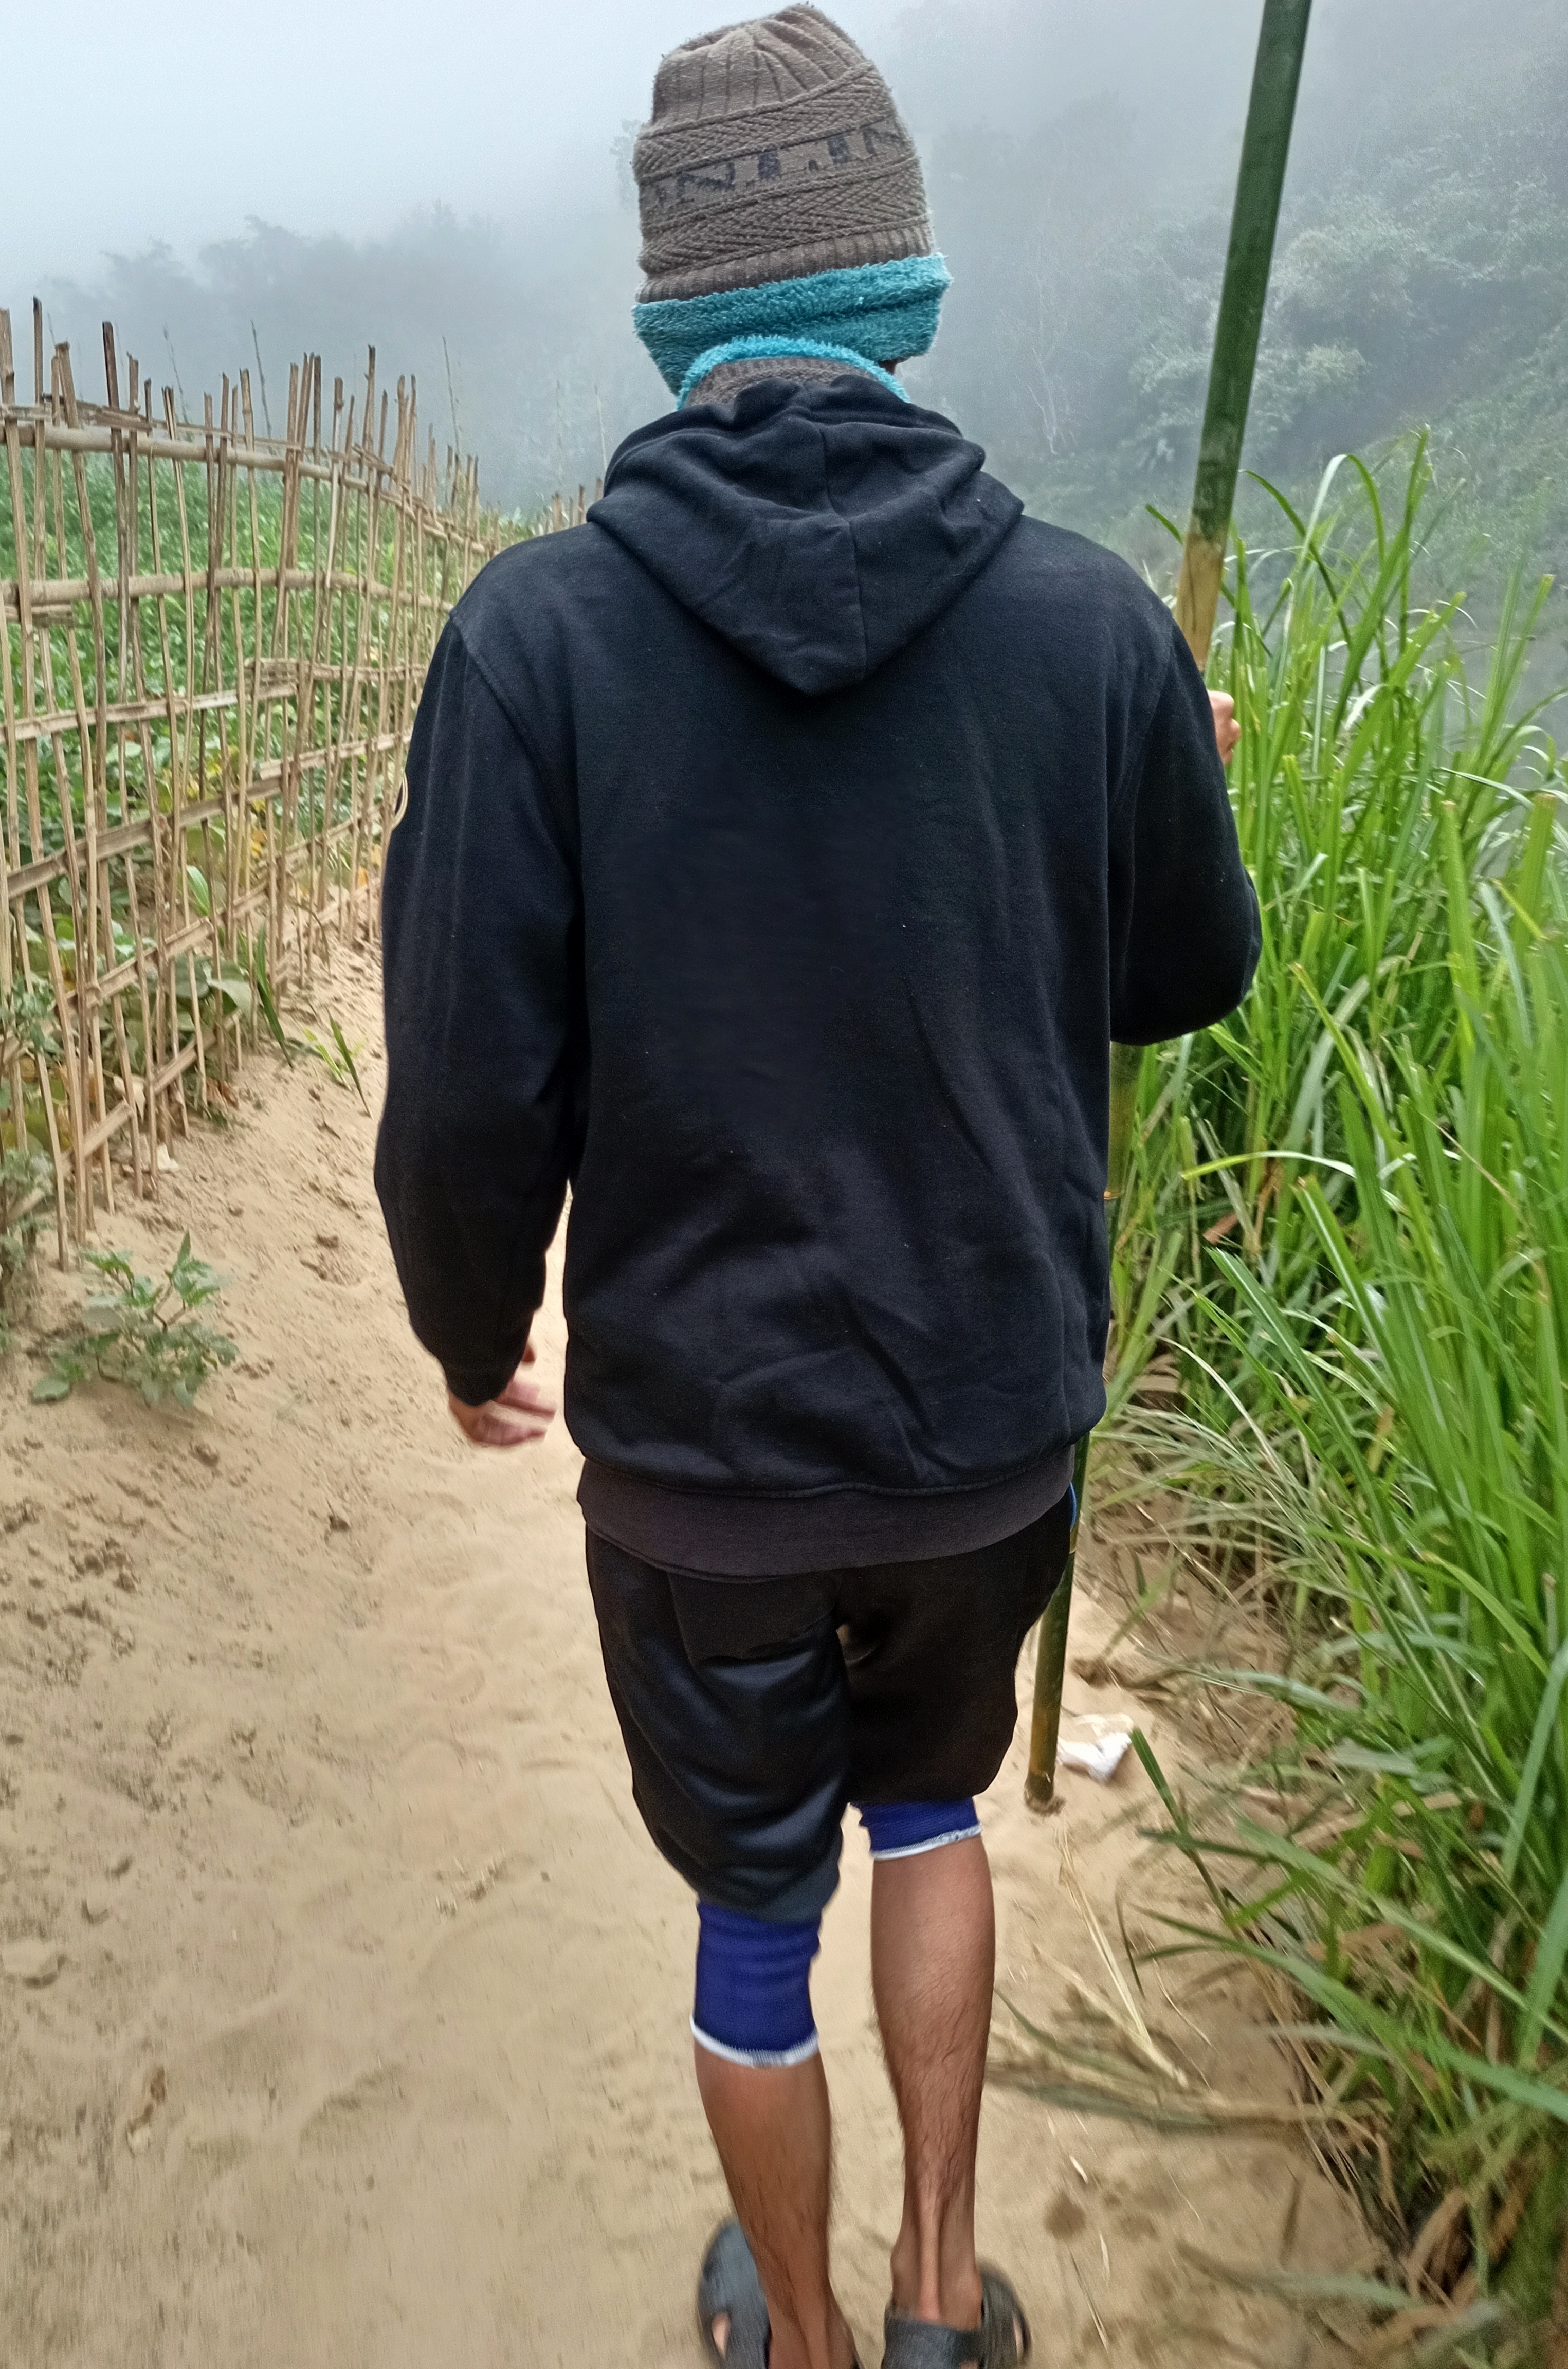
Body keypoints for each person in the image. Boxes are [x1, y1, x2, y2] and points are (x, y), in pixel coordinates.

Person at [375, 8, 1259, 2363]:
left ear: (673, 319)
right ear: (910, 294)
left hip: (708, 1466)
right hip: (987, 1429)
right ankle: (944, 2299)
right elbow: (1185, 973)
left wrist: (473, 1328)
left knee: (754, 1907)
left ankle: (805, 2335)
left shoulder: (536, 642)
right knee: (935, 1818)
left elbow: (467, 1087)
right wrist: (1164, 780)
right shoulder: (1087, 623)